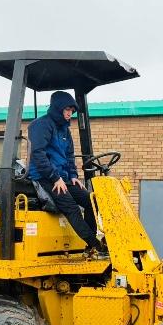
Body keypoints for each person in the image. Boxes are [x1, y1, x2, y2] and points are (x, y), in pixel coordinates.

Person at [28, 91, 104, 255]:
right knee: (71, 208)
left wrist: (74, 176)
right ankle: (96, 245)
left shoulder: (65, 130)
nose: (69, 113)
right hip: (44, 177)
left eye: (71, 110)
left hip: (62, 177)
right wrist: (55, 177)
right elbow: (38, 153)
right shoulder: (41, 125)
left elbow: (69, 156)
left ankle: (89, 245)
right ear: (57, 108)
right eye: (66, 109)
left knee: (92, 201)